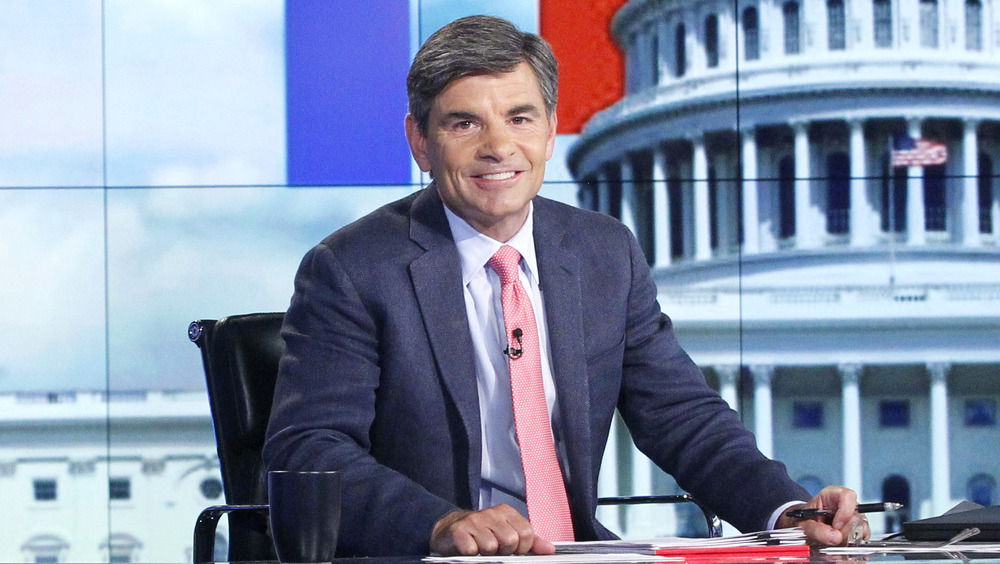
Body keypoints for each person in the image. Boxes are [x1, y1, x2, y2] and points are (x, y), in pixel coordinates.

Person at [263, 14, 869, 557]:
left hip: (576, 554)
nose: (498, 146)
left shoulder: (604, 252)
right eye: (464, 122)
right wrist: (443, 524)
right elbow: (308, 452)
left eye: (519, 118)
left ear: (551, 132)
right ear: (420, 142)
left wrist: (788, 511)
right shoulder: (351, 267)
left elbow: (684, 418)